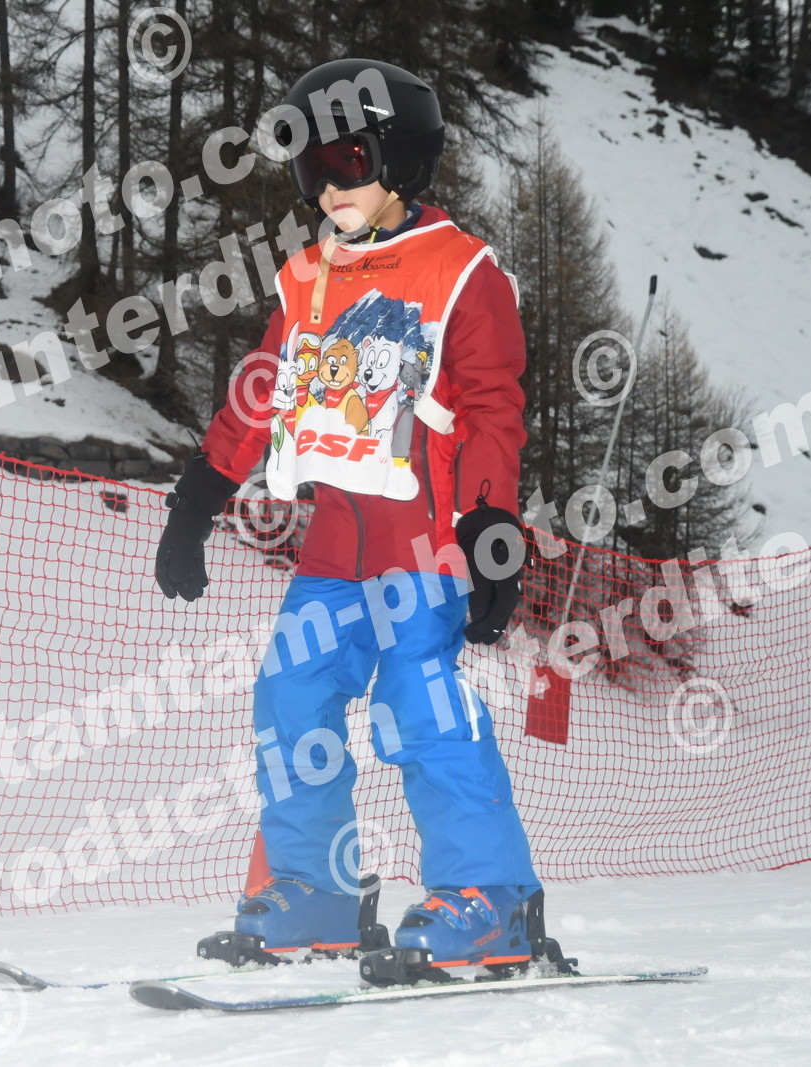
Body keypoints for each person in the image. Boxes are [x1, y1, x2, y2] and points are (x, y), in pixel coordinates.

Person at [155, 58, 542, 976]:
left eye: (349, 160)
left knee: (420, 708)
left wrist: (492, 528)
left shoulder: (462, 271)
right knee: (290, 698)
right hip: (334, 546)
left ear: (401, 160)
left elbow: (492, 408)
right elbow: (261, 390)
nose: (328, 185)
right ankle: (316, 890)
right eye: (311, 167)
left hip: (424, 543)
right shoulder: (306, 278)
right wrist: (200, 496)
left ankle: (489, 897)